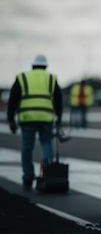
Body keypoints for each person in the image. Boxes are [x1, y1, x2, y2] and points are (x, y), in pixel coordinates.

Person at [6, 54, 64, 190]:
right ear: (45, 66)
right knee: (46, 143)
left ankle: (28, 176)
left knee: (27, 147)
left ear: (33, 65)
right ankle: (49, 174)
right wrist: (59, 117)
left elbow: (12, 100)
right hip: (46, 117)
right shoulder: (51, 78)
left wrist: (11, 120)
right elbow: (58, 99)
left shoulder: (22, 78)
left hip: (27, 118)